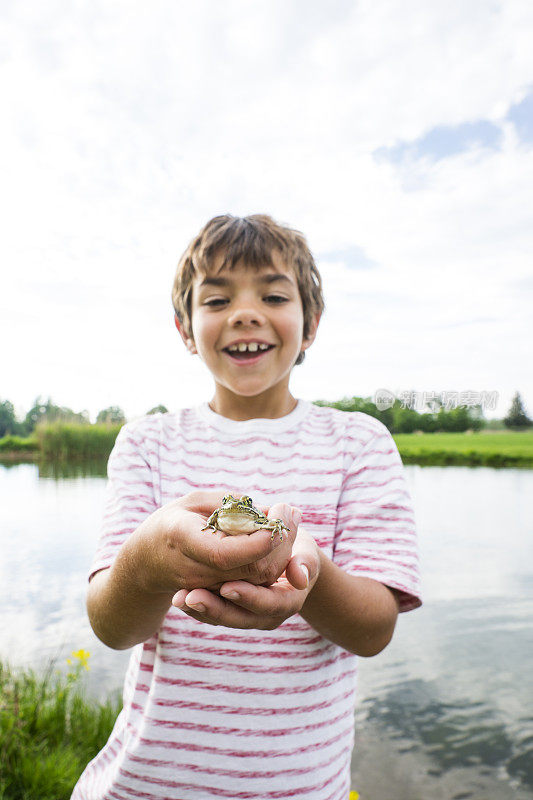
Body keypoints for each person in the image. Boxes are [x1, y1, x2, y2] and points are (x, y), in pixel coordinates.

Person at [71, 214, 421, 800]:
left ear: (309, 325)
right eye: (217, 298)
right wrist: (153, 559)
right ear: (185, 327)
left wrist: (307, 574)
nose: (245, 312)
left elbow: (375, 629)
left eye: (274, 294)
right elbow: (111, 624)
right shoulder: (147, 442)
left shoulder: (359, 442)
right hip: (145, 785)